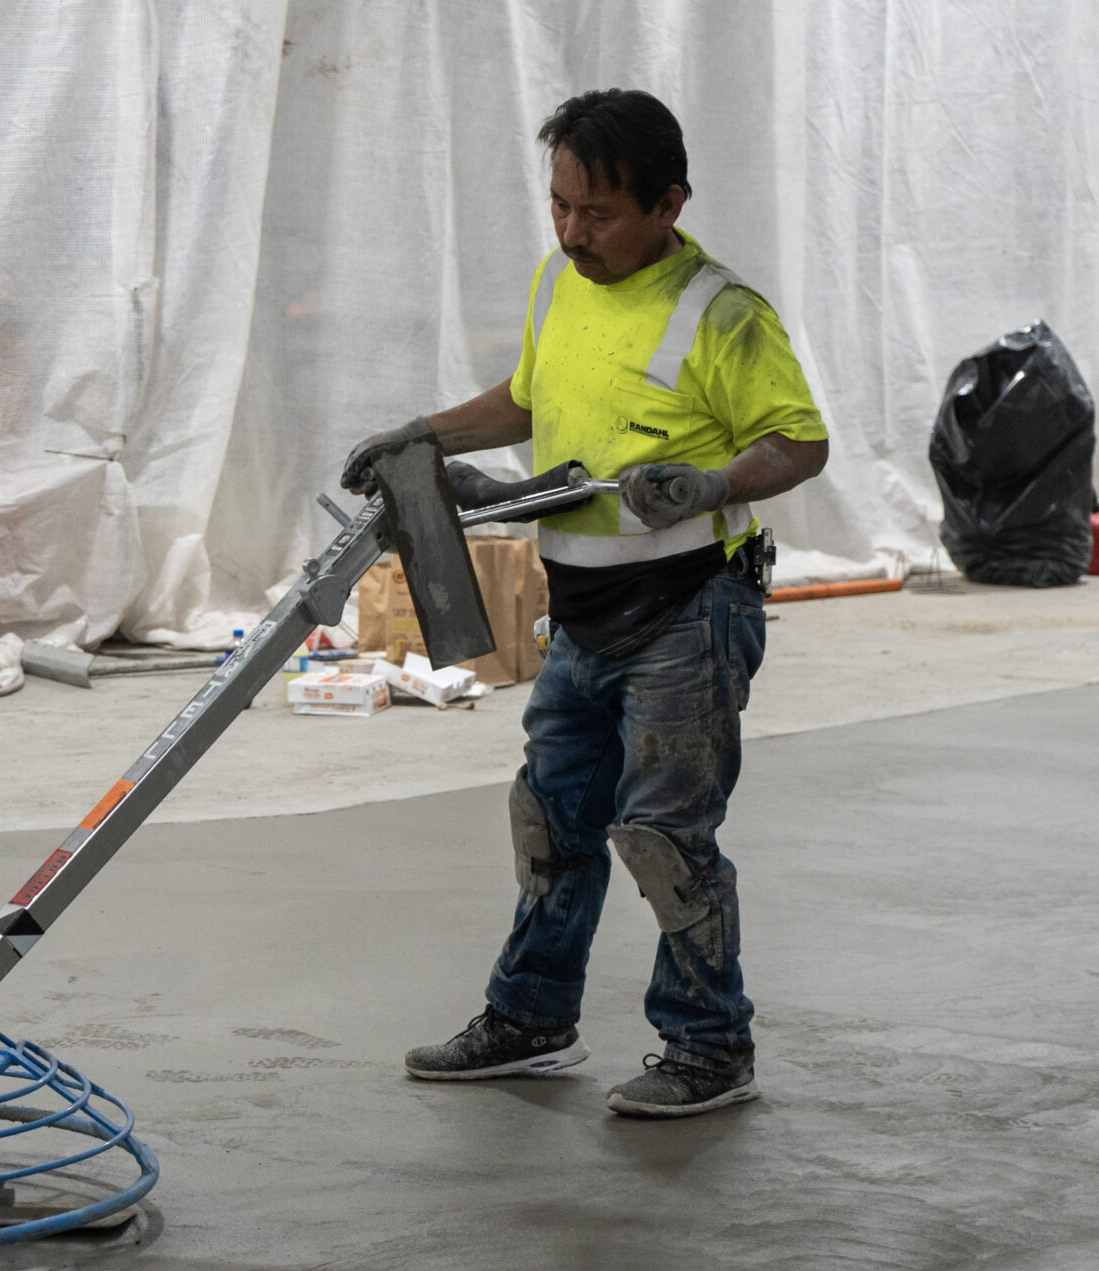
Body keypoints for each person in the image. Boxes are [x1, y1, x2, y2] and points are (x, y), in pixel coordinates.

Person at [342, 89, 828, 1118]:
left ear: (667, 203)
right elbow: (525, 399)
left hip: (690, 610)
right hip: (581, 610)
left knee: (662, 835)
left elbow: (799, 439)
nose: (571, 233)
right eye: (558, 207)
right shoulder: (556, 284)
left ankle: (708, 1046)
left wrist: (713, 484)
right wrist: (420, 438)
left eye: (597, 213)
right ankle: (529, 1018)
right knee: (554, 819)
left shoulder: (721, 312)